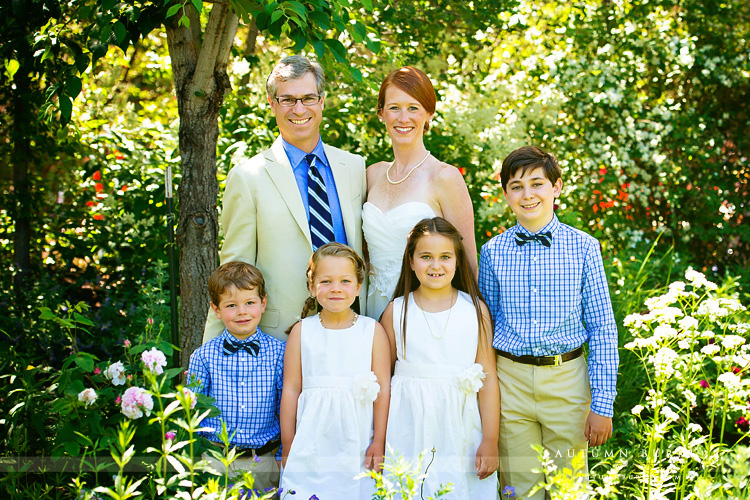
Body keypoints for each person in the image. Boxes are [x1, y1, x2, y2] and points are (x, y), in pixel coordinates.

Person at [478, 146, 619, 499]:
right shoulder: (493, 251)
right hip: (510, 382)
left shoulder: (584, 247)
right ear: (506, 194)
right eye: (516, 186)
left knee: (569, 489)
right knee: (519, 489)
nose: (528, 195)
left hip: (567, 381)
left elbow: (602, 327)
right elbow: (485, 327)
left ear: (555, 188)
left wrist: (602, 403)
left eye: (537, 184)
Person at [204, 54, 367, 342]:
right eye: (288, 99)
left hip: (353, 329)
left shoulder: (354, 167)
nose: (299, 108)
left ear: (322, 101)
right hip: (280, 337)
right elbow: (233, 272)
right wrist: (212, 353)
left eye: (308, 98)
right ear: (272, 104)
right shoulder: (248, 176)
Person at [381, 217, 499, 499]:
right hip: (408, 425)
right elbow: (383, 382)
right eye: (426, 257)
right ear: (411, 261)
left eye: (445, 256)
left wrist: (491, 440)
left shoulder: (475, 310)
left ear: (457, 261)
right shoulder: (396, 311)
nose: (436, 265)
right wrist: (379, 440)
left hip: (461, 425)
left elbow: (489, 379)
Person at [363, 66, 477, 321]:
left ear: (429, 114)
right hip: (372, 311)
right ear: (381, 114)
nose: (403, 118)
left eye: (413, 108)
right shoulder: (372, 175)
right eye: (394, 107)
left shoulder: (444, 177)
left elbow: (468, 261)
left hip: (426, 313)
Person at [279, 243, 391, 499]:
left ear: (358, 286)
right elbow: (291, 388)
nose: (336, 288)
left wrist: (379, 441)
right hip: (310, 440)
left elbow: (383, 389)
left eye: (345, 281)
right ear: (312, 286)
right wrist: (289, 442)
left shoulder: (372, 331)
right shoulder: (302, 331)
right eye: (326, 281)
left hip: (358, 441)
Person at [187, 261, 285, 490]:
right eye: (231, 305)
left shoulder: (280, 353)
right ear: (216, 309)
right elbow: (193, 410)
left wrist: (281, 455)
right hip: (214, 461)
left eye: (249, 303)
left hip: (263, 461)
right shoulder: (203, 357)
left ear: (263, 303)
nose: (242, 312)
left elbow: (284, 407)